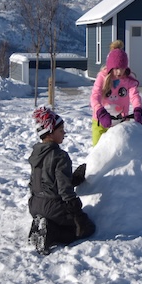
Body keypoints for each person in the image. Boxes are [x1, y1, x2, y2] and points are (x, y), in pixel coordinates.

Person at [27, 106, 95, 255]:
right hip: (54, 207)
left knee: (59, 220)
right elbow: (64, 190)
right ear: (50, 133)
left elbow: (47, 180)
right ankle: (51, 233)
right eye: (61, 130)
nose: (64, 133)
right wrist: (78, 214)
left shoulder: (36, 153)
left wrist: (74, 179)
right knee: (87, 229)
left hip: (35, 204)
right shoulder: (60, 156)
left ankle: (40, 225)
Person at [90, 43, 142, 146]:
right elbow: (94, 96)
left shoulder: (128, 81)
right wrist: (100, 112)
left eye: (122, 68)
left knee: (117, 152)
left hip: (120, 123)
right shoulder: (102, 78)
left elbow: (135, 96)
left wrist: (138, 109)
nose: (119, 71)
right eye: (116, 68)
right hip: (100, 123)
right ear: (110, 67)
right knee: (99, 152)